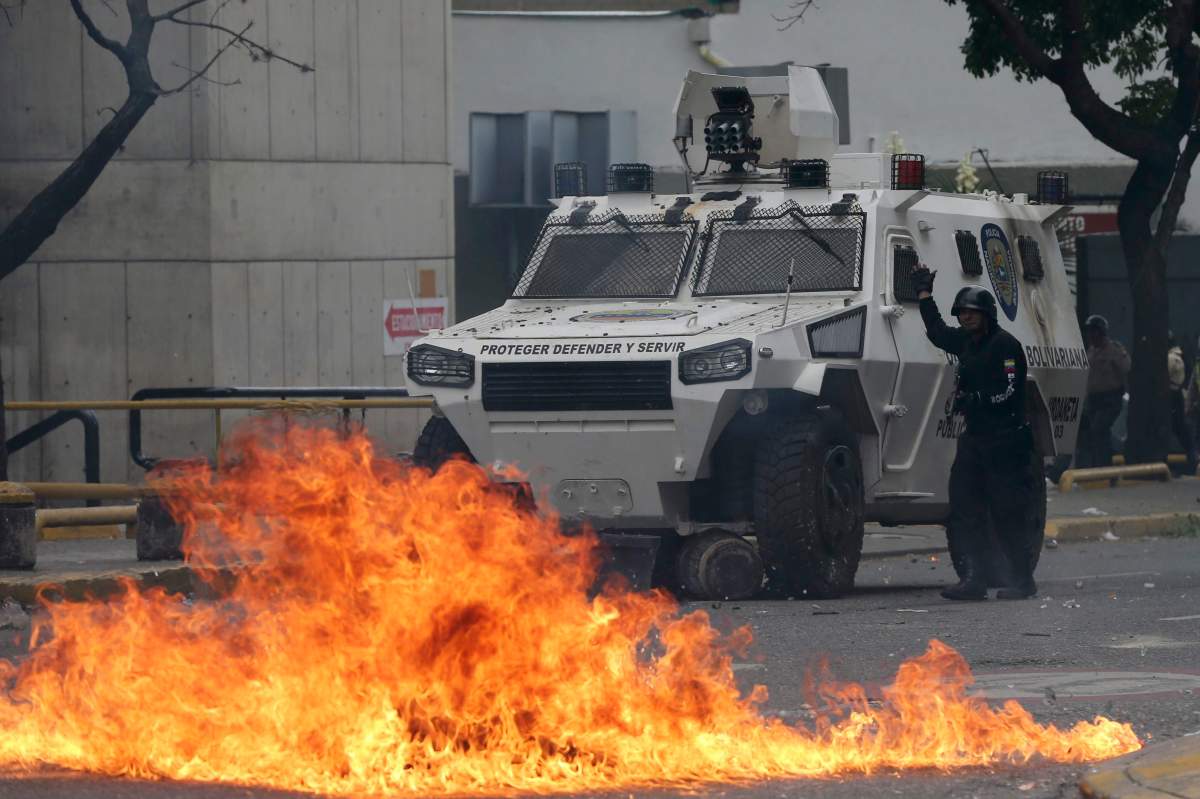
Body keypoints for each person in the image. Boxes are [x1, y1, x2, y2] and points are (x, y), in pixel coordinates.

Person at [912, 265, 1038, 600]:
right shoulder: (965, 343)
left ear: (987, 315)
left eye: (972, 313)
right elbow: (938, 332)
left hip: (1005, 442)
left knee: (1007, 512)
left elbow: (1010, 391)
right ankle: (974, 579)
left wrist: (979, 398)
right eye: (962, 313)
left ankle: (1023, 580)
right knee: (965, 509)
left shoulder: (1005, 346)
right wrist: (924, 294)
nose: (966, 319)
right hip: (975, 441)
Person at [1078, 315, 1130, 469]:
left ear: (1101, 333)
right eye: (1089, 332)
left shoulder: (1114, 349)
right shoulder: (1091, 351)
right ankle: (1095, 465)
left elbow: (1126, 367)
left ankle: (1104, 467)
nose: (1090, 335)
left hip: (1110, 399)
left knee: (1100, 428)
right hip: (1094, 400)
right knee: (1092, 432)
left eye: (1093, 332)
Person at [1168, 332, 1197, 475]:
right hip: (1182, 401)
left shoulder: (1172, 358)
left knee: (1183, 434)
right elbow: (1192, 386)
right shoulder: (1184, 358)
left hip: (1173, 399)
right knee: (1186, 435)